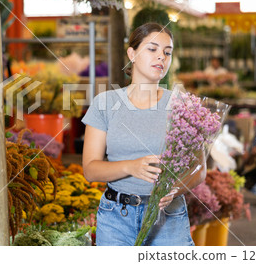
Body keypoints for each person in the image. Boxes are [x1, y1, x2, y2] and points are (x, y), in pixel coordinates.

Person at [81, 23, 205, 246]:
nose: (161, 57)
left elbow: (200, 169)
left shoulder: (183, 105)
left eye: (167, 52)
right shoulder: (105, 103)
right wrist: (131, 167)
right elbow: (90, 169)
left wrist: (175, 189)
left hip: (168, 218)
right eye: (152, 49)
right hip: (116, 217)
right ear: (132, 54)